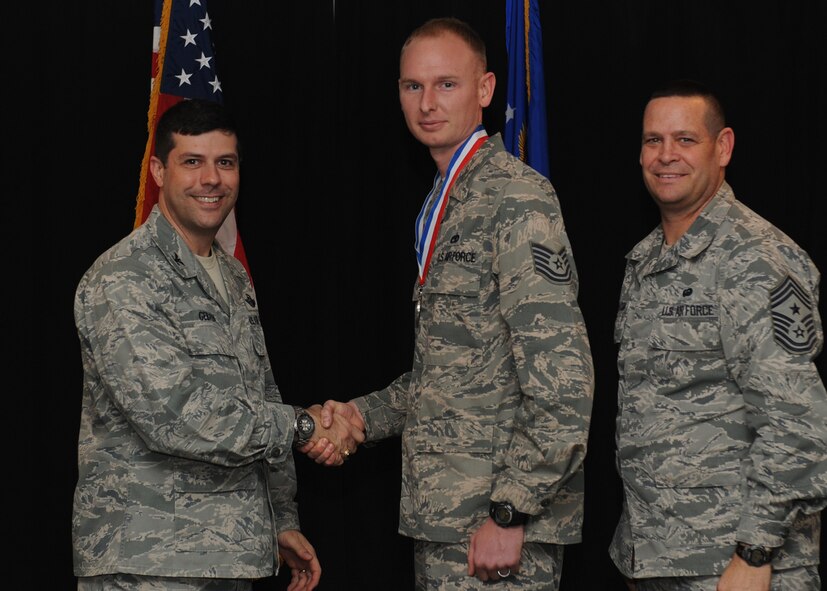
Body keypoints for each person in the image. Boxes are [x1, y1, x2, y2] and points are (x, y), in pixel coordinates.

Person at [304, 17, 594, 590]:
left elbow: (563, 376)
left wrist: (512, 510)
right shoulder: (446, 200)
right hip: (446, 520)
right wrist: (360, 417)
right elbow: (450, 374)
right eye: (413, 86)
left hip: (498, 527)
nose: (427, 103)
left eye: (446, 84)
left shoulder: (516, 197)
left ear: (485, 90)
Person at [72, 98, 363, 591]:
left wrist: (280, 519)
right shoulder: (125, 277)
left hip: (230, 557)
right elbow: (172, 414)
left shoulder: (232, 277)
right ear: (159, 171)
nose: (211, 179)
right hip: (149, 563)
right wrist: (304, 425)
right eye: (193, 161)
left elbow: (260, 395)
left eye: (225, 163)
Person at [610, 79, 827, 591]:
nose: (666, 155)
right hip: (660, 559)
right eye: (653, 140)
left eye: (685, 139)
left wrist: (755, 552)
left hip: (737, 565)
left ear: (723, 147)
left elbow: (797, 422)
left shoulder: (756, 258)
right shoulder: (645, 261)